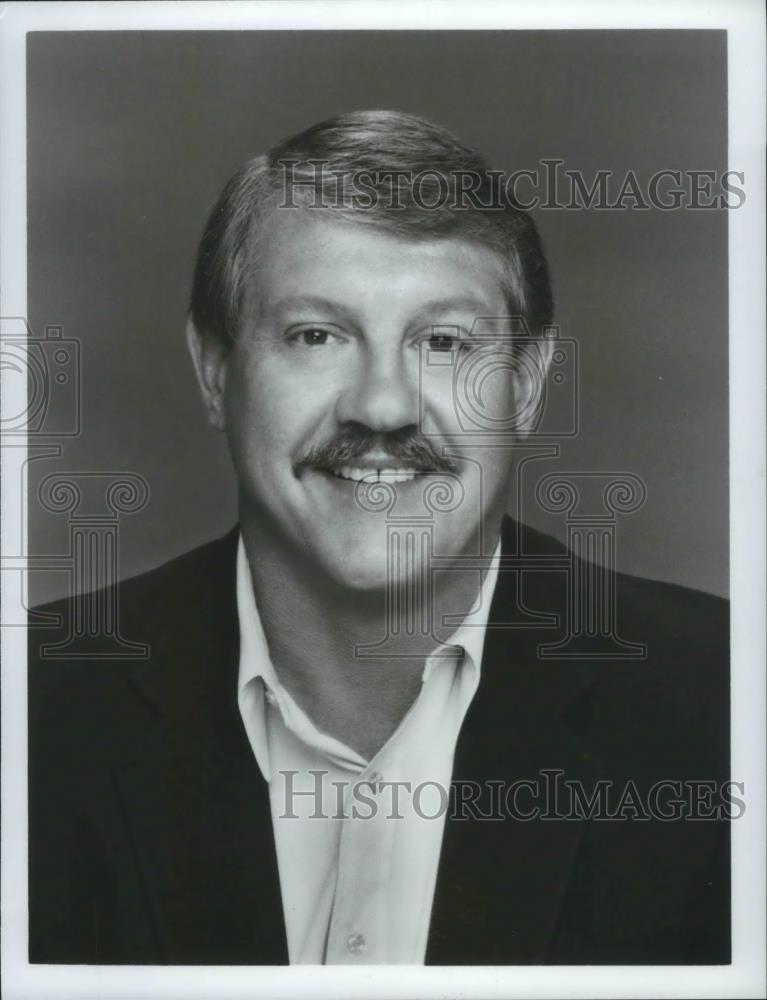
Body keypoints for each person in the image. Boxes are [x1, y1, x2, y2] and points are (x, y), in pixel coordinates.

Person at [28, 110, 730, 966]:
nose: (383, 407)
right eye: (316, 335)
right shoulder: (30, 711)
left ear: (528, 384)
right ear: (215, 372)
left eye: (443, 341)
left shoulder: (728, 709)